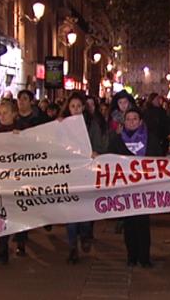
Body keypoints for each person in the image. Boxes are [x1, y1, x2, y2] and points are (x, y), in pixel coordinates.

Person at [108, 109, 163, 268]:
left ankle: (144, 257)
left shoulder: (150, 139)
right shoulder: (117, 140)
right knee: (130, 224)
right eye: (129, 119)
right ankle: (131, 256)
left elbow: (158, 160)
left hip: (144, 188)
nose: (131, 122)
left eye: (135, 119)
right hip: (125, 188)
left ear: (140, 122)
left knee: (143, 223)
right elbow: (109, 160)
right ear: (124, 122)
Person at [60, 93, 107, 263]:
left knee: (86, 209)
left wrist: (95, 153)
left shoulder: (91, 124)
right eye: (72, 106)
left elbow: (99, 145)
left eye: (79, 106)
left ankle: (86, 234)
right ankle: (72, 246)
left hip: (87, 172)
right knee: (71, 213)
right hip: (70, 173)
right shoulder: (62, 125)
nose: (75, 110)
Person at [0, 100, 27, 265]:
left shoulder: (22, 131)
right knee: (1, 213)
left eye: (5, 113)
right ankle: (2, 248)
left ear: (14, 114)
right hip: (1, 179)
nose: (2, 116)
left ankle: (21, 241)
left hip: (19, 178)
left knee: (19, 211)